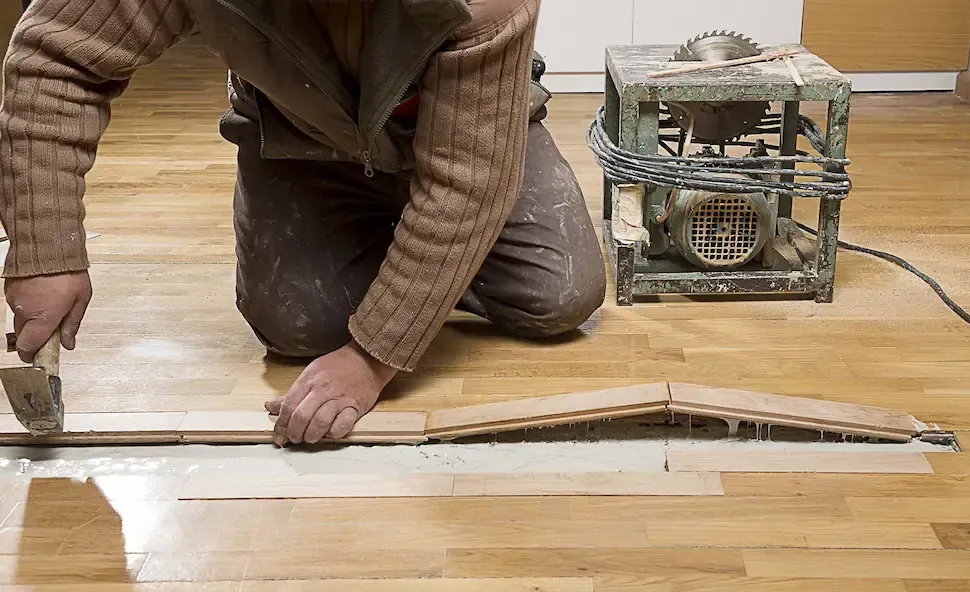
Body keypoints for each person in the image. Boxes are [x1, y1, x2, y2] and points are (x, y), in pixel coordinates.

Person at [0, 0, 606, 446]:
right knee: (297, 326)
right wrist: (46, 250)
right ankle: (414, 256)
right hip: (302, 137)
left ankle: (421, 259)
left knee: (558, 294)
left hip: (467, 127)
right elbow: (55, 60)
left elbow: (465, 179)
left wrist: (371, 357)